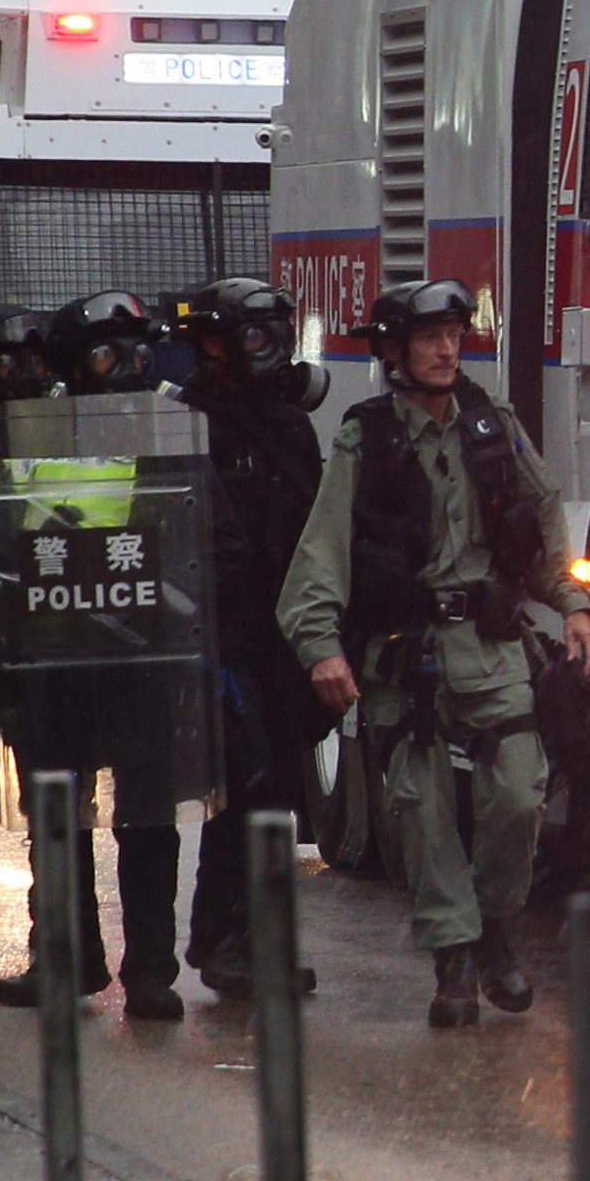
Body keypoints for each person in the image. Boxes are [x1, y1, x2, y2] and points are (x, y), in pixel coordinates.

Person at [275, 280, 590, 1026]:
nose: (447, 349)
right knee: (419, 810)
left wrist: (576, 608)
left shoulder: (495, 428)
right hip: (405, 652)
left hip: (490, 645)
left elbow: (545, 521)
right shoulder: (365, 439)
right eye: (429, 338)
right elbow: (320, 558)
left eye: (454, 334)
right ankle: (454, 958)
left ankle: (491, 928)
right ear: (394, 352)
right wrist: (323, 647)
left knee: (519, 795)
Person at [0, 293, 198, 1017]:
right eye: (108, 353)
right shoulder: (30, 434)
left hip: (145, 658)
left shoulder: (173, 432)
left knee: (147, 818)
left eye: (139, 352)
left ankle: (151, 973)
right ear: (74, 365)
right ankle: (67, 960)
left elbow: (207, 539)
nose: (129, 370)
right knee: (57, 815)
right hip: (57, 656)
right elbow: (0, 534)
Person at [172, 279, 332, 999]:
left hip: (284, 632)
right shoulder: (186, 424)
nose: (267, 350)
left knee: (281, 788)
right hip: (220, 634)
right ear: (212, 344)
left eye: (277, 333)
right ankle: (222, 935)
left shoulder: (291, 426)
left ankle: (255, 936)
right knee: (244, 779)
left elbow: (317, 529)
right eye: (251, 335)